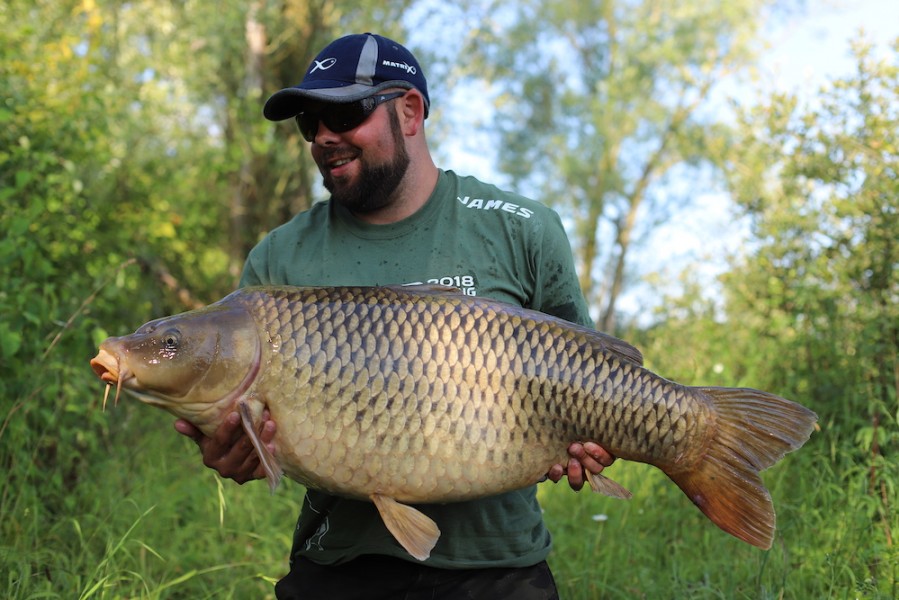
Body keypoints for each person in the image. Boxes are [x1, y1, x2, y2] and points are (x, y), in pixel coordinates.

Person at [175, 32, 615, 600]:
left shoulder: (521, 228)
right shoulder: (279, 258)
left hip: (499, 567)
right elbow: (247, 436)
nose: (324, 136)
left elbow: (590, 380)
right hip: (336, 563)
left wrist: (593, 439)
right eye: (311, 122)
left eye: (345, 113)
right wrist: (232, 450)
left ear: (409, 111)